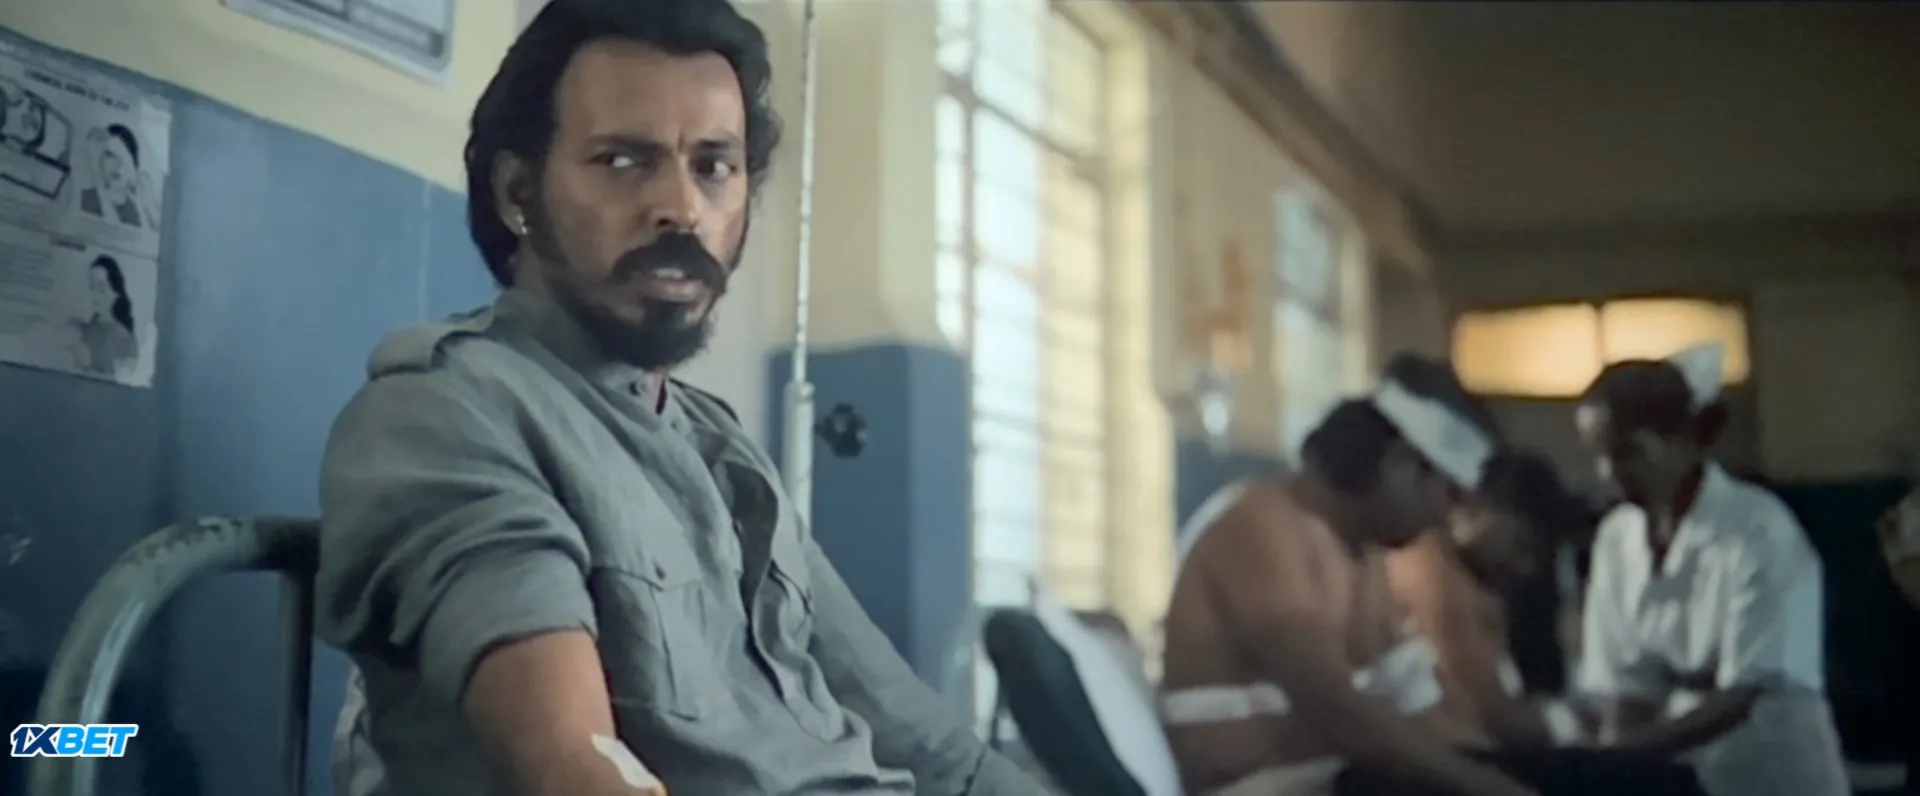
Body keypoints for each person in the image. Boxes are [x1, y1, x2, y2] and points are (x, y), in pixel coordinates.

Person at [313, 2, 1046, 795]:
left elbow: (939, 753)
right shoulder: (448, 415)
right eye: (624, 160)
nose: (682, 207)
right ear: (519, 193)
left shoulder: (721, 450)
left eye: (714, 166)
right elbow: (581, 772)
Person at [1159, 364, 1537, 796]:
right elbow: (1337, 712)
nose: (1442, 520)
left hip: (1331, 776)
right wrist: (1483, 785)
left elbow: (1426, 713)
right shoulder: (1261, 528)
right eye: (1447, 494)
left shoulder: (1364, 557)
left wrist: (1515, 772)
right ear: (1400, 464)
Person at [1571, 343, 1850, 796]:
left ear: (1685, 441)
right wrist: (1611, 766)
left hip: (1772, 765)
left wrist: (1627, 754)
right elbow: (1627, 686)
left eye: (1628, 453)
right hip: (1679, 771)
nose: (1609, 472)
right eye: (1597, 455)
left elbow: (1742, 696)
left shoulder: (1760, 530)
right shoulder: (1616, 538)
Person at [1385, 447, 1595, 750]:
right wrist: (1568, 723)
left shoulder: (1471, 580)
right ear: (1479, 505)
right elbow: (1492, 717)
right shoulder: (1434, 573)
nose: (1524, 568)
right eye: (1520, 543)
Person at [68, 254, 137, 376]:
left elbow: (126, 378)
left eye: (101, 288)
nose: (94, 295)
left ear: (116, 293)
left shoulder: (125, 339)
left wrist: (86, 367)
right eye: (92, 287)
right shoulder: (81, 330)